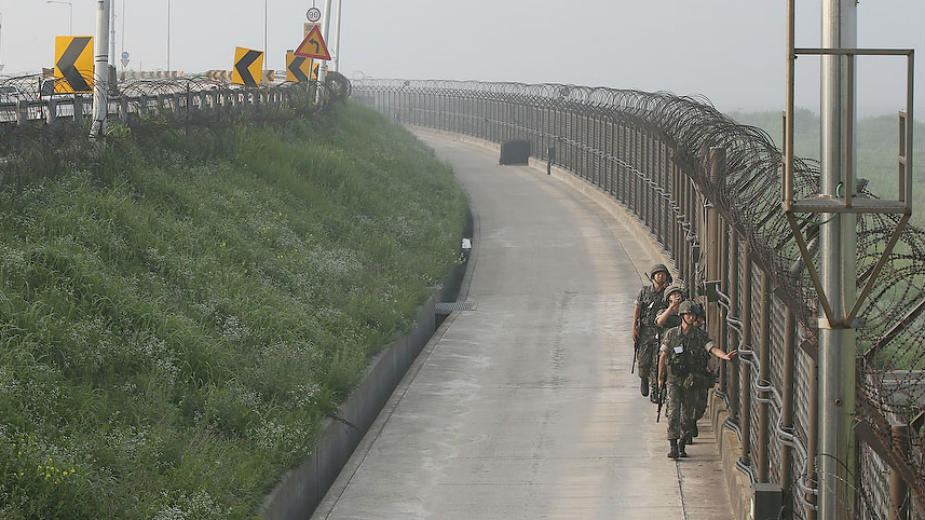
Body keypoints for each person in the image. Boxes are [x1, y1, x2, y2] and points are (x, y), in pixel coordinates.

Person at [657, 301, 736, 459]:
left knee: (688, 415)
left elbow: (711, 348)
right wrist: (660, 378)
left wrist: (724, 356)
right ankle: (673, 444)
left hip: (690, 381)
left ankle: (682, 444)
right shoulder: (672, 334)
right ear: (682, 316)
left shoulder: (700, 335)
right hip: (674, 380)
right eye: (688, 315)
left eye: (693, 315)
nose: (692, 317)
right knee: (673, 412)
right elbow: (663, 356)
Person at [633, 264, 672, 401]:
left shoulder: (668, 293)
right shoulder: (644, 292)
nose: (660, 276)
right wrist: (634, 328)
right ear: (653, 276)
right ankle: (644, 378)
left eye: (663, 274)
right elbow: (637, 309)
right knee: (644, 361)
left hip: (662, 331)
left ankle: (657, 390)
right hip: (645, 330)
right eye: (658, 274)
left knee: (659, 361)